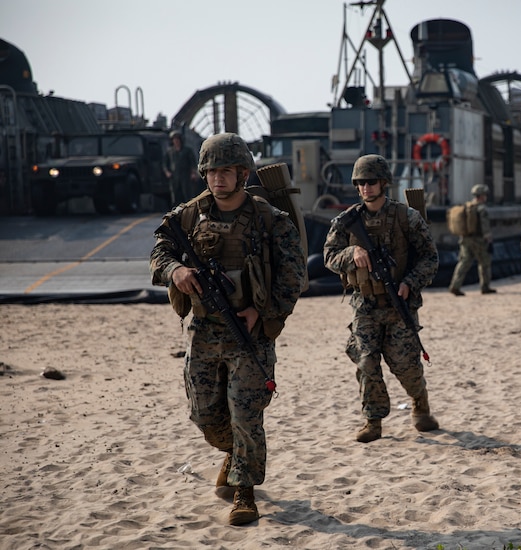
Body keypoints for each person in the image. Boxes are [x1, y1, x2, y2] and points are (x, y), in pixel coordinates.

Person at [149, 133, 306, 526]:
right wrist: (176, 270)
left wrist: (261, 310)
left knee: (246, 413)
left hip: (249, 333)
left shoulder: (270, 219)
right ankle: (235, 455)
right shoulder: (188, 215)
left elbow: (294, 275)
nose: (218, 178)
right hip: (204, 330)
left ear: (242, 173)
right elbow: (159, 249)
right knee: (204, 415)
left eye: (226, 171)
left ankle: (245, 492)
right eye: (211, 170)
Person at [323, 154, 440, 443]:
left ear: (383, 183)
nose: (365, 187)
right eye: (360, 182)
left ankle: (419, 401)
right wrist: (353, 253)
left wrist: (410, 283)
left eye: (371, 181)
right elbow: (328, 257)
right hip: (364, 305)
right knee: (366, 361)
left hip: (399, 303)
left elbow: (429, 258)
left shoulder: (406, 217)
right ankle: (373, 421)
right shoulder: (347, 221)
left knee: (405, 364)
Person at [448, 183, 496, 296]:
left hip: (465, 239)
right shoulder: (482, 209)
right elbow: (485, 225)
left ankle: (455, 285)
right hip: (478, 240)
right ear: (482, 195)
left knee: (463, 263)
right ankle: (485, 287)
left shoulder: (467, 206)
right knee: (484, 263)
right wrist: (488, 238)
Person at [163, 130, 199, 205]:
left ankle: (189, 210)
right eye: (174, 139)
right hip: (174, 176)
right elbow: (165, 164)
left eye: (177, 139)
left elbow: (193, 162)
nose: (176, 141)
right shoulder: (170, 151)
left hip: (185, 175)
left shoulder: (187, 150)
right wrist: (167, 172)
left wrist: (193, 173)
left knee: (187, 194)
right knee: (175, 196)